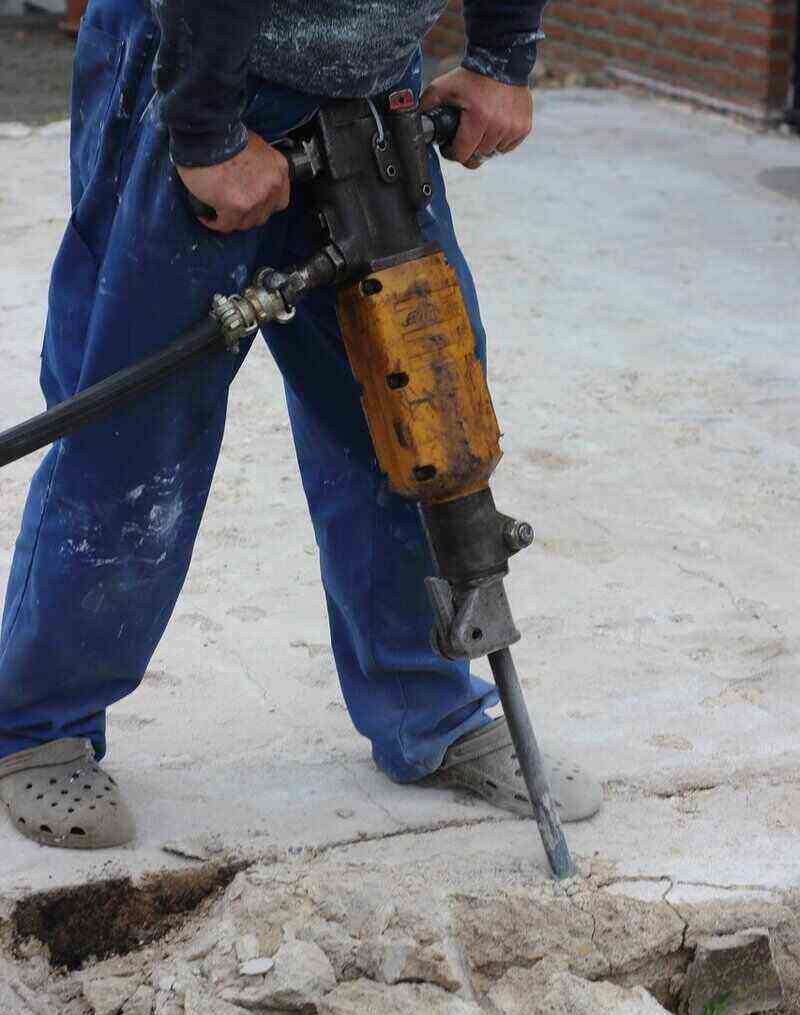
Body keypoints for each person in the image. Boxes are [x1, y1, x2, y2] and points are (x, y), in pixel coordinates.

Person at [0, 0, 602, 849]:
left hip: (367, 76)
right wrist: (206, 131)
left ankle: (426, 708)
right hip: (192, 63)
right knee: (135, 438)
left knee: (410, 406)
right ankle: (39, 727)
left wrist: (503, 56)